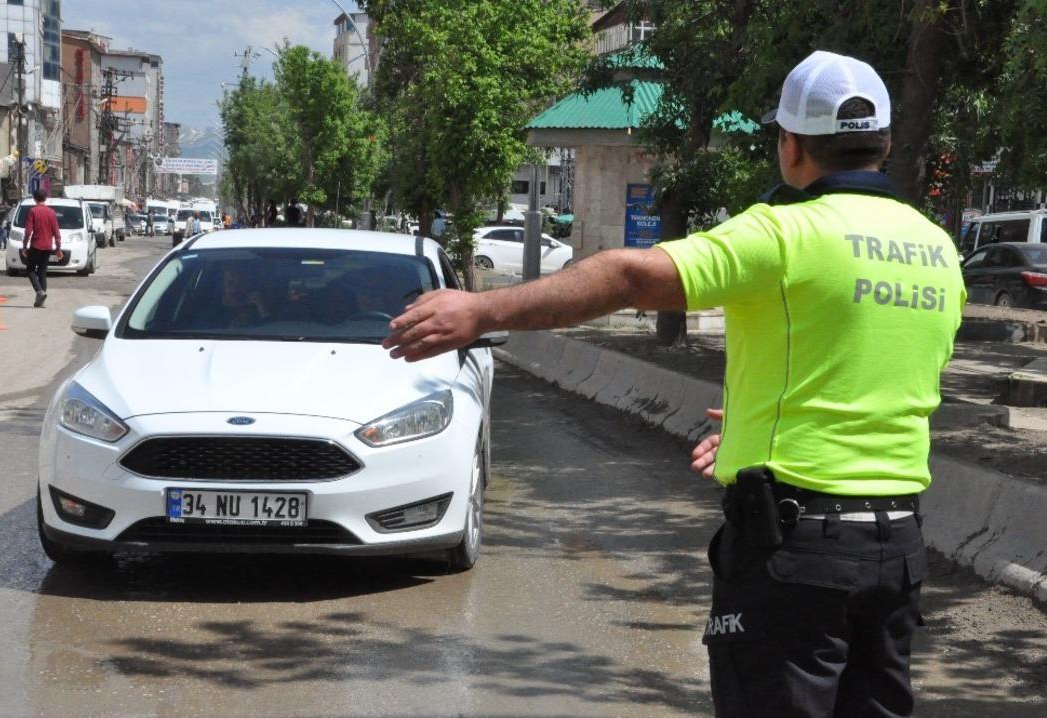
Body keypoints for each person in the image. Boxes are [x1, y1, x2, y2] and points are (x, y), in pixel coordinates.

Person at [382, 50, 965, 718]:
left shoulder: (784, 232)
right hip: (897, 551)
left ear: (792, 144)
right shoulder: (938, 250)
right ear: (884, 143)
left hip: (797, 556)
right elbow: (886, 380)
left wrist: (481, 309)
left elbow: (630, 277)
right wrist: (753, 430)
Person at [21, 189, 63, 308]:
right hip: (48, 246)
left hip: (36, 245)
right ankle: (41, 300)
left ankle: (40, 291)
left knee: (30, 270)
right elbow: (56, 231)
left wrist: (25, 246)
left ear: (34, 198)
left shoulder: (33, 211)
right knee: (42, 272)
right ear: (45, 198)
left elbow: (28, 231)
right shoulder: (51, 212)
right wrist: (58, 248)